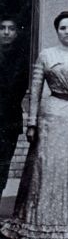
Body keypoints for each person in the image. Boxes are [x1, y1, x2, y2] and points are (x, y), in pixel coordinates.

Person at [1, 11, 68, 239]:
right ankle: (41, 222)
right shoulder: (46, 55)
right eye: (63, 28)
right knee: (47, 167)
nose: (67, 31)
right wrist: (32, 122)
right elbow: (35, 92)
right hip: (51, 115)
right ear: (57, 31)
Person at [0, 17, 28, 198]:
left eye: (11, 29)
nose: (6, 32)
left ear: (16, 33)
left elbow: (17, 89)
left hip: (8, 121)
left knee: (2, 166)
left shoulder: (22, 59)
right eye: (2, 28)